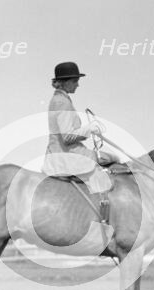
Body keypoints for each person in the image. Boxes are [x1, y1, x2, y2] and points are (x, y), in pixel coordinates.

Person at [42, 62, 118, 193]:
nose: (78, 84)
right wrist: (90, 128)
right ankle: (102, 205)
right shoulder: (61, 102)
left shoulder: (60, 99)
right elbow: (67, 137)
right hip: (66, 155)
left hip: (64, 152)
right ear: (65, 82)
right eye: (75, 81)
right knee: (114, 159)